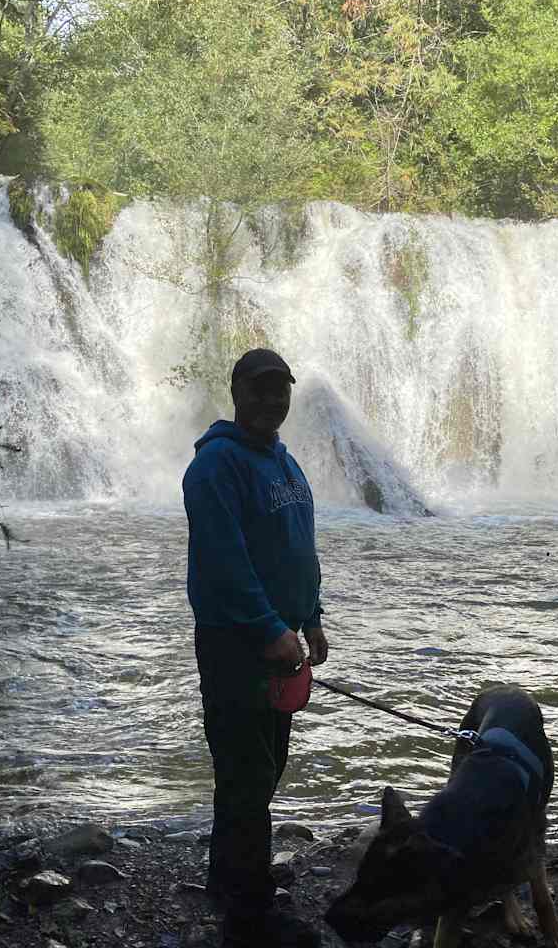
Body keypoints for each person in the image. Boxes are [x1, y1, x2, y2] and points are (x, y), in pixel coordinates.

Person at [183, 347, 329, 948]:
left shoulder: (284, 461)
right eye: (261, 388)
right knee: (247, 774)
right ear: (237, 390)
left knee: (261, 770)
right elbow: (225, 565)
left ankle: (229, 881)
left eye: (280, 389)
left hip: (279, 640)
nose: (273, 399)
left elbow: (300, 547)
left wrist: (311, 618)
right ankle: (249, 916)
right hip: (236, 645)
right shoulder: (215, 467)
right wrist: (270, 629)